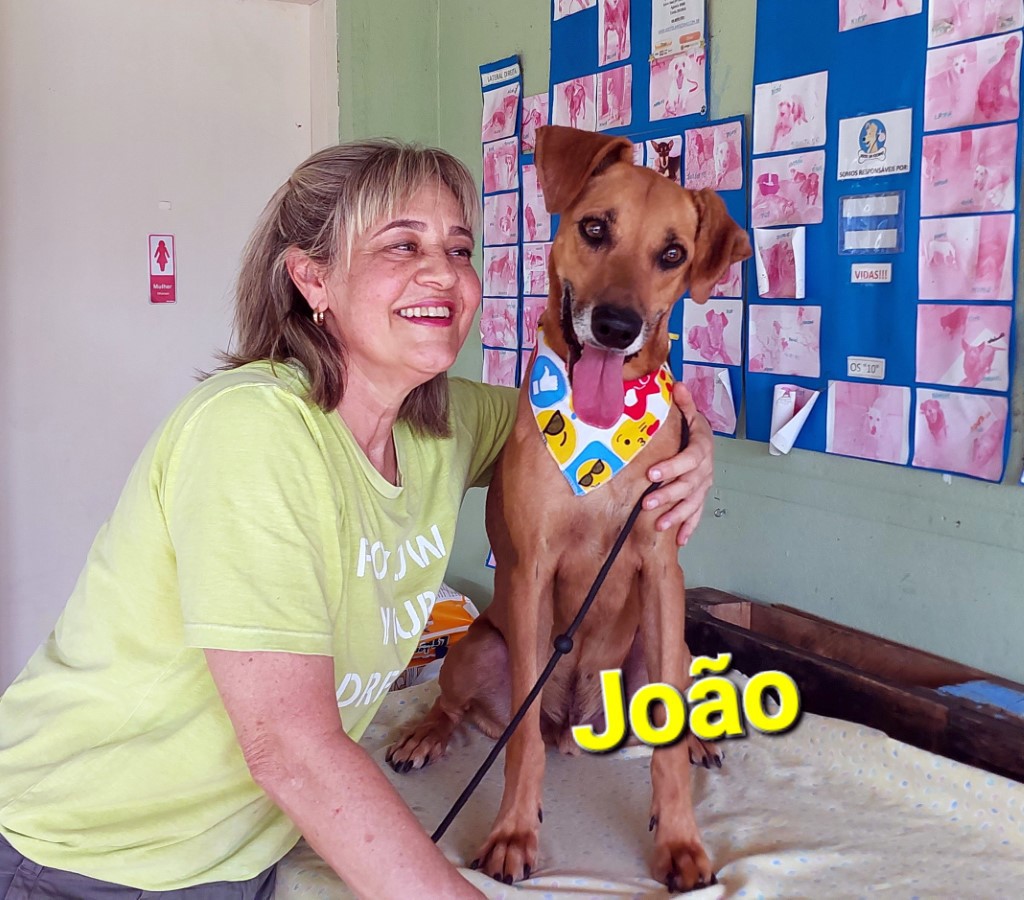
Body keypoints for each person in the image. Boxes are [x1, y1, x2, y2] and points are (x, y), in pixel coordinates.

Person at [0, 139, 715, 898]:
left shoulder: (443, 424)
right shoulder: (251, 430)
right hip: (82, 853)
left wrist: (697, 449)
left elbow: (596, 440)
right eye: (402, 245)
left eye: (459, 248)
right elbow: (291, 751)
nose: (442, 273)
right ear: (313, 279)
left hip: (243, 853)